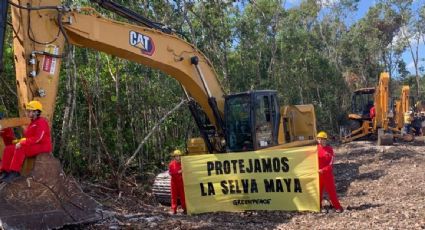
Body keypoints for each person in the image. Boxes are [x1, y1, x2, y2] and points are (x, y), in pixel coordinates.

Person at [0, 101, 52, 183]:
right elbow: (29, 137)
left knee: (21, 148)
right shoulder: (32, 123)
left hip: (42, 146)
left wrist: (22, 142)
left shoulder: (42, 122)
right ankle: (5, 171)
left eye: (29, 111)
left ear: (36, 112)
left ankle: (15, 172)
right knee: (8, 149)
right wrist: (19, 141)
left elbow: (38, 138)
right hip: (33, 144)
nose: (27, 112)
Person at [316, 131, 343, 213]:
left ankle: (338, 207)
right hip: (318, 174)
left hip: (327, 174)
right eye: (319, 139)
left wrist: (323, 170)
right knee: (318, 192)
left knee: (332, 192)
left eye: (323, 139)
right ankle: (318, 206)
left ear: (326, 140)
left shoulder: (330, 150)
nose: (321, 141)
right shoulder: (315, 149)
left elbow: (331, 163)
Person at [168, 149, 186, 214]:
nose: (178, 157)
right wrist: (178, 172)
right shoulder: (171, 164)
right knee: (174, 196)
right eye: (176, 156)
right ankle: (173, 209)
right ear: (174, 157)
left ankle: (185, 208)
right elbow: (170, 173)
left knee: (183, 196)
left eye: (179, 156)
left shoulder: (183, 163)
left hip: (181, 182)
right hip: (174, 182)